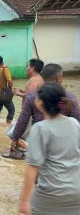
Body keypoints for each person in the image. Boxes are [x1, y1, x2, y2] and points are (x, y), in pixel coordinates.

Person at [18, 83, 80, 215]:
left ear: (40, 103)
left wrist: (23, 201)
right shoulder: (74, 123)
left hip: (52, 191)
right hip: (76, 190)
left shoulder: (40, 128)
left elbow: (32, 167)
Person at [3, 63, 80, 159]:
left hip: (39, 141)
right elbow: (77, 122)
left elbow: (22, 121)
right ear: (59, 78)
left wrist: (14, 141)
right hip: (63, 145)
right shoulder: (70, 98)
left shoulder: (32, 97)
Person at [0, 56, 15, 124]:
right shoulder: (5, 70)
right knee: (12, 110)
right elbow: (9, 81)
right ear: (2, 62)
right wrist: (11, 88)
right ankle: (8, 126)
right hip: (4, 96)